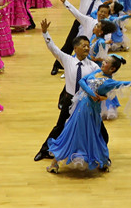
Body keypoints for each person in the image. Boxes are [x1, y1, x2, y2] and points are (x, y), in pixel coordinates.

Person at [47, 55, 131, 173]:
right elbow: (81, 81)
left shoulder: (110, 82)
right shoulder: (98, 71)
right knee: (72, 131)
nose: (103, 63)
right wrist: (92, 93)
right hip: (80, 107)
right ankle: (58, 162)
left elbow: (127, 83)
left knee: (90, 135)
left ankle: (100, 161)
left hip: (89, 110)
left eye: (106, 62)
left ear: (112, 69)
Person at [35, 19, 101, 162]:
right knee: (59, 126)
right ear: (75, 48)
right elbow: (53, 48)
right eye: (83, 46)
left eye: (88, 46)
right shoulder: (67, 60)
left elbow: (101, 81)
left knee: (98, 127)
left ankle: (102, 153)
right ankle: (45, 150)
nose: (86, 48)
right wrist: (45, 32)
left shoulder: (94, 67)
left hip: (86, 102)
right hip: (70, 99)